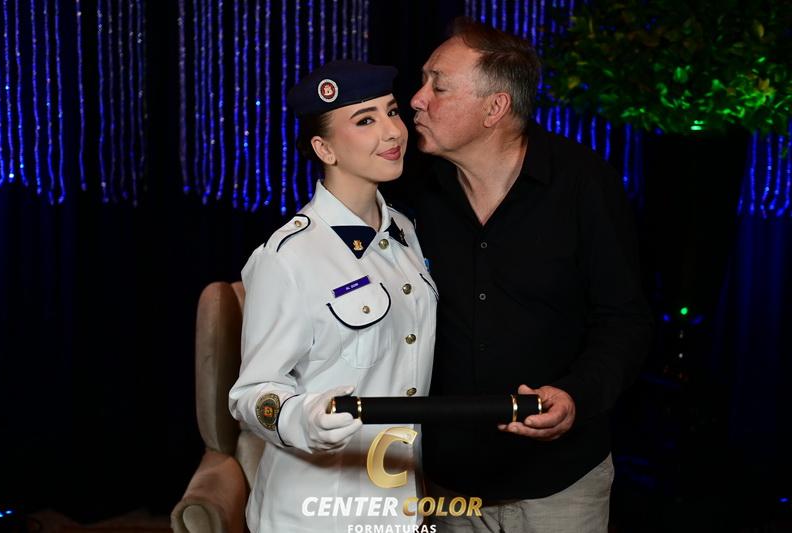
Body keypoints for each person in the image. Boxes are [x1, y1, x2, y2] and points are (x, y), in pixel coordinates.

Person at [402, 18, 653, 532]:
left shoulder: (583, 185)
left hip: (559, 485)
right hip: (449, 484)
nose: (417, 99)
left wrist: (576, 396)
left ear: (495, 108)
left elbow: (625, 319)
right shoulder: (411, 194)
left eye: (438, 86)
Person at [229, 60, 438, 532]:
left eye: (392, 112)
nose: (392, 131)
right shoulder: (288, 256)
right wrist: (302, 418)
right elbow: (251, 394)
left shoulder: (404, 231)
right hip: (316, 512)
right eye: (365, 121)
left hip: (400, 505)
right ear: (324, 148)